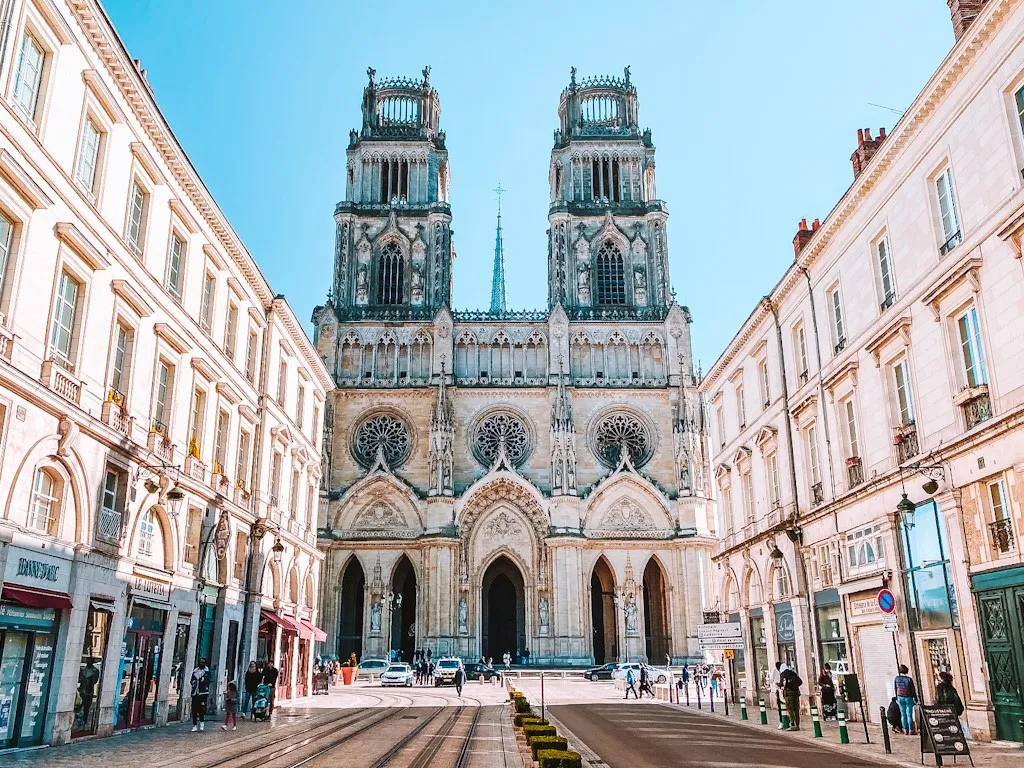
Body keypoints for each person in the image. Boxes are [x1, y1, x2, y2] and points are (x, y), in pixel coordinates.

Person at [936, 671, 968, 737]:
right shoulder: (951, 688)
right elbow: (956, 699)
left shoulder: (940, 687)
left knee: (946, 726)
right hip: (952, 709)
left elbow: (938, 698)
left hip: (944, 709)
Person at [893, 665, 917, 735]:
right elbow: (913, 690)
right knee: (909, 714)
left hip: (900, 697)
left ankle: (905, 730)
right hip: (908, 697)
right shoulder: (909, 679)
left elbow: (895, 688)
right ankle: (911, 730)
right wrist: (915, 698)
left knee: (903, 715)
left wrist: (897, 697)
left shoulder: (897, 678)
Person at [779, 664, 803, 731]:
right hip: (796, 693)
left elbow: (781, 684)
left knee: (790, 709)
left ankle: (792, 724)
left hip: (789, 694)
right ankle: (797, 724)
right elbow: (800, 682)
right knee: (796, 709)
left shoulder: (783, 674)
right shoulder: (793, 673)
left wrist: (779, 685)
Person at [190, 658, 211, 732]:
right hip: (195, 693)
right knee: (194, 710)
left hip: (203, 693)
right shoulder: (195, 671)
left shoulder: (207, 672)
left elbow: (208, 681)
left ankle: (202, 723)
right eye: (200, 662)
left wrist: (203, 680)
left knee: (201, 709)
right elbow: (191, 680)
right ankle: (194, 725)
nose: (201, 663)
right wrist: (194, 682)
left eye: (203, 662)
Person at [78, 658, 100, 726]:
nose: (88, 662)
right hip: (81, 690)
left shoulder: (95, 671)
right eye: (88, 661)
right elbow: (79, 679)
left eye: (90, 661)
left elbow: (94, 681)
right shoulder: (83, 670)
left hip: (89, 691)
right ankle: (79, 719)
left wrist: (89, 680)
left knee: (86, 706)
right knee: (79, 706)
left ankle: (84, 720)